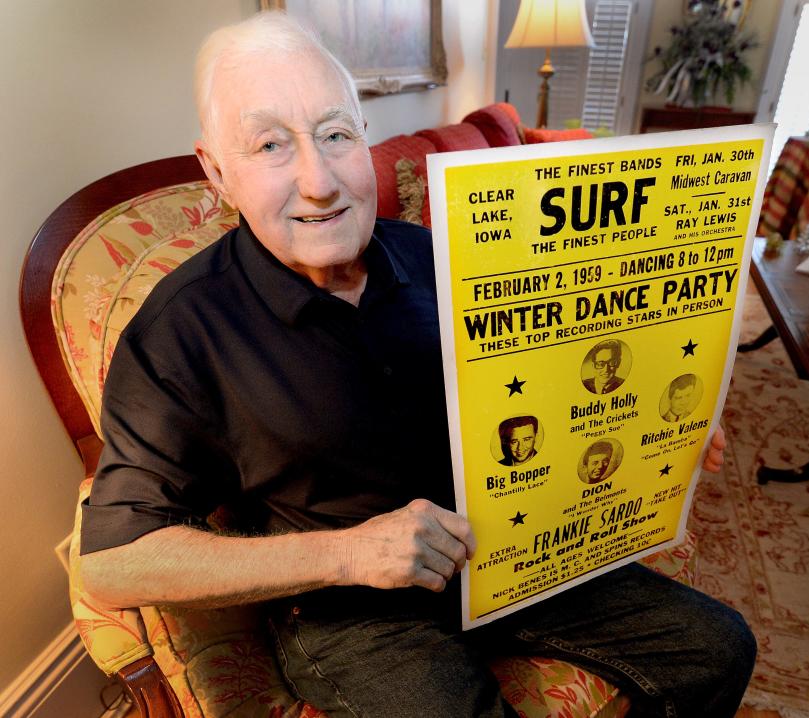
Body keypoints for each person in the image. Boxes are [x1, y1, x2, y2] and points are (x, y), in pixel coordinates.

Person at [78, 13, 752, 717]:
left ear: (362, 139)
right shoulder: (181, 329)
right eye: (270, 145)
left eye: (336, 134)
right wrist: (348, 554)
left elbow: (541, 384)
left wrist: (661, 427)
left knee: (718, 646)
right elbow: (111, 562)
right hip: (350, 611)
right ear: (217, 171)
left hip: (505, 550)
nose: (318, 182)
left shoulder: (438, 254)